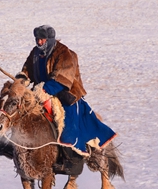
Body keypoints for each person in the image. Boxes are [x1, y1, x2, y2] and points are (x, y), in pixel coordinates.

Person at [18, 25, 117, 155]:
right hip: (40, 92)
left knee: (68, 127)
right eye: (37, 39)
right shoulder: (35, 53)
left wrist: (45, 90)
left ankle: (74, 155)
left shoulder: (63, 53)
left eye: (42, 39)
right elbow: (27, 70)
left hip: (64, 93)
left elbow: (63, 78)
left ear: (50, 39)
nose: (39, 42)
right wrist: (20, 81)